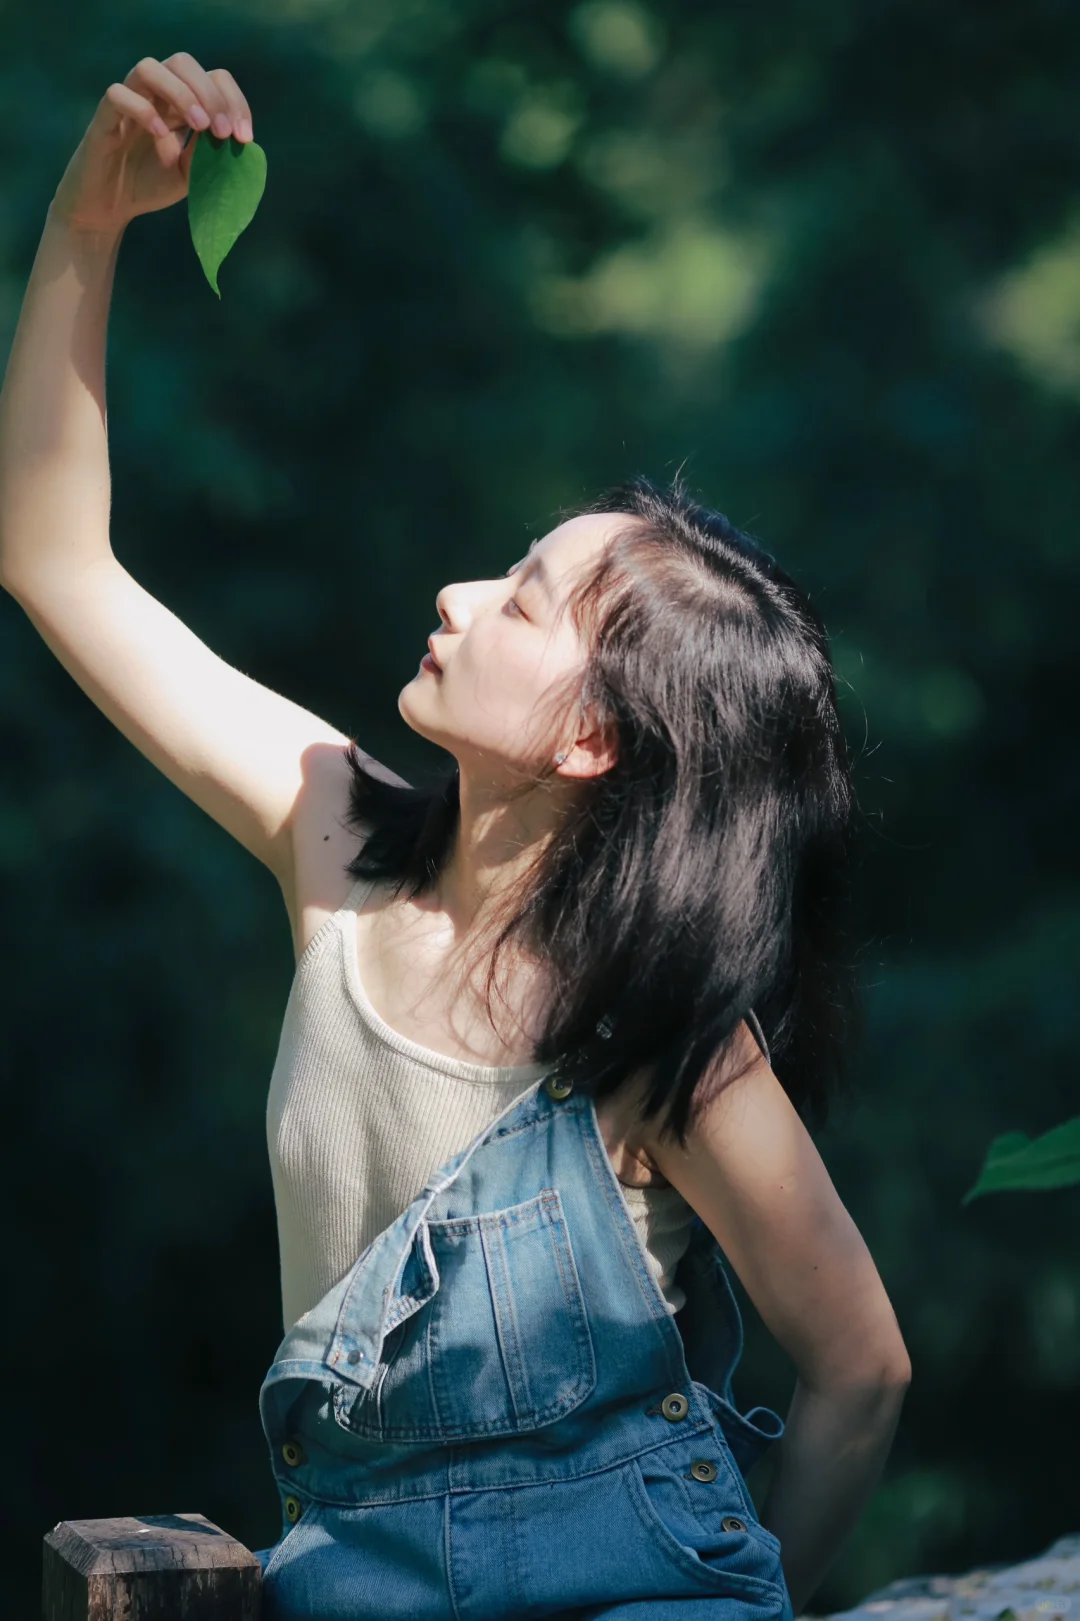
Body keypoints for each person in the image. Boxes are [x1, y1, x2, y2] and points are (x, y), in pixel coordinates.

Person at [0, 52, 911, 1621]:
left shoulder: (662, 1030)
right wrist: (91, 218)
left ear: (592, 739)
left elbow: (862, 1369)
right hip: (353, 1580)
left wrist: (764, 1591)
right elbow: (52, 558)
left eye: (525, 599)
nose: (458, 596)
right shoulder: (342, 836)